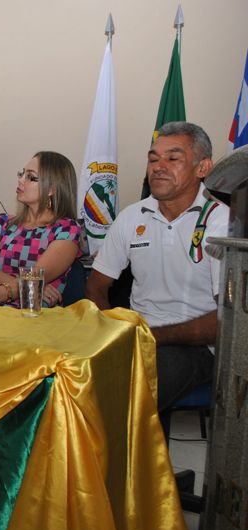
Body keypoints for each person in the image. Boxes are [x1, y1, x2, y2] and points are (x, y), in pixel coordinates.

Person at [85, 121, 228, 418]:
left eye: (173, 158)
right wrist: (113, 329)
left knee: (127, 395)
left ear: (203, 167)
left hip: (197, 347)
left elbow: (226, 320)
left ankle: (132, 464)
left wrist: (154, 335)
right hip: (137, 337)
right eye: (153, 159)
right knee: (71, 378)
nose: (158, 167)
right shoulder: (131, 217)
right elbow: (96, 287)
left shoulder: (221, 223)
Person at [0, 151, 82, 306]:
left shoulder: (67, 230)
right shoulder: (4, 222)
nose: (21, 180)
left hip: (36, 318)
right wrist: (30, 285)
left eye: (31, 177)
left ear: (51, 189)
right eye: (22, 174)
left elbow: (33, 278)